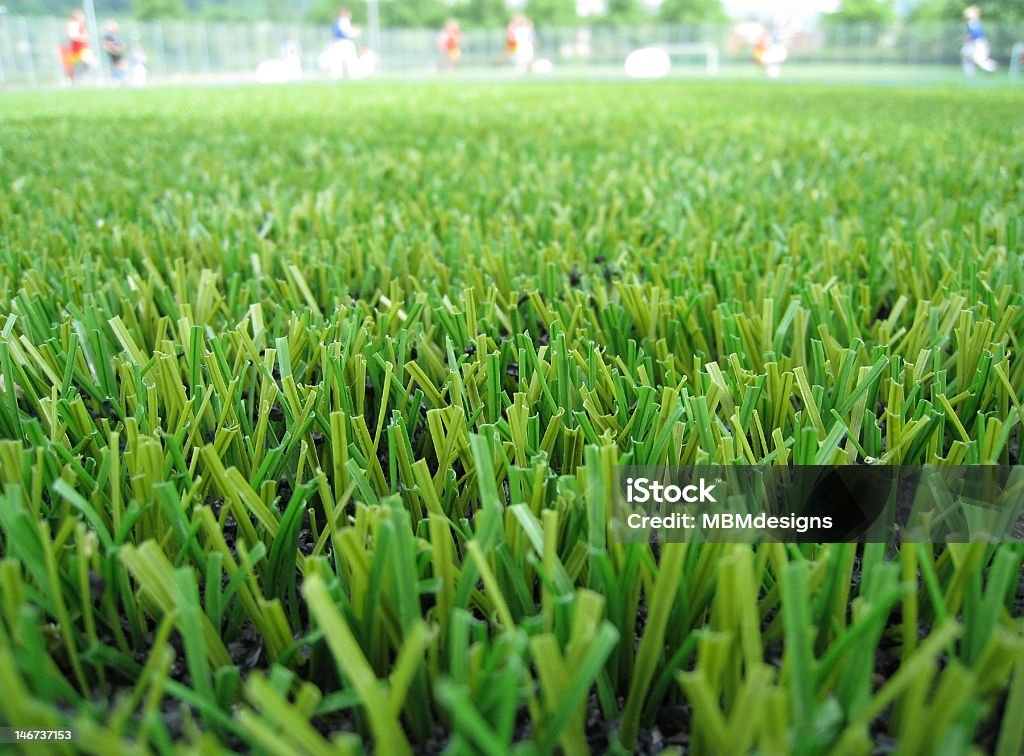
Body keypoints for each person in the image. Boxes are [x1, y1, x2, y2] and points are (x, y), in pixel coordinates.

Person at [324, 8, 361, 80]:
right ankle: (354, 76)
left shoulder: (336, 21)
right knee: (351, 60)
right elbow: (348, 32)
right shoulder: (344, 21)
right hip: (345, 42)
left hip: (337, 43)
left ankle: (336, 76)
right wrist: (356, 32)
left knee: (337, 61)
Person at [962, 5, 997, 75]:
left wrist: (966, 38)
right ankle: (969, 73)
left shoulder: (974, 22)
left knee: (979, 59)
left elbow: (976, 34)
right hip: (974, 43)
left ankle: (993, 67)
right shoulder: (972, 22)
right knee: (965, 54)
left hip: (978, 43)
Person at [60, 10, 92, 84]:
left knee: (88, 61)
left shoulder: (81, 24)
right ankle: (71, 79)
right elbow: (72, 36)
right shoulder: (73, 24)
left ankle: (78, 77)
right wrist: (83, 37)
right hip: (76, 48)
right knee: (72, 67)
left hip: (83, 48)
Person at [102, 20, 126, 86]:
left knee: (122, 65)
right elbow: (107, 44)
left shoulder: (117, 35)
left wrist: (121, 48)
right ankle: (115, 79)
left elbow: (122, 43)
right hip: (113, 53)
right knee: (115, 66)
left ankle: (121, 79)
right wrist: (114, 49)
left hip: (119, 52)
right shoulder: (109, 36)